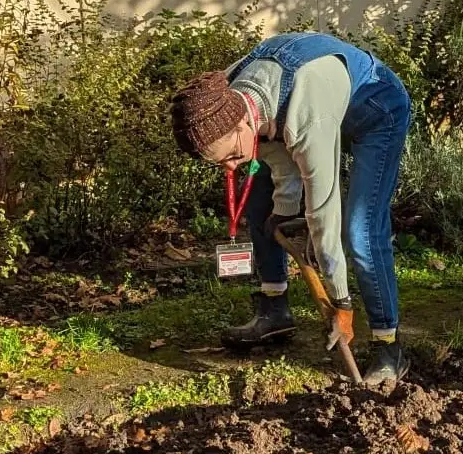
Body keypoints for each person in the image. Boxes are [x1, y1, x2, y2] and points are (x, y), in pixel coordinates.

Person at [171, 30, 412, 388]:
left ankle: (389, 346)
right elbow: (273, 149)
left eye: (233, 155)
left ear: (243, 121)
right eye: (223, 163)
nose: (232, 167)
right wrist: (282, 211)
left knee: (360, 230)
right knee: (258, 202)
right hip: (317, 110)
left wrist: (341, 301)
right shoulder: (231, 99)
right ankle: (275, 309)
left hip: (376, 110)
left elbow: (323, 210)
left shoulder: (305, 109)